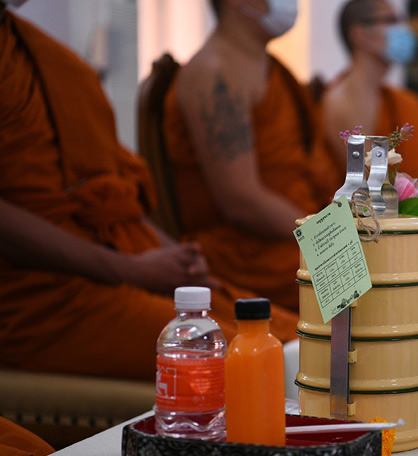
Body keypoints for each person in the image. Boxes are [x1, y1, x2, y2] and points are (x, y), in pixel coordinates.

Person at [0, 3, 297, 383]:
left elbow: (117, 198)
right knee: (257, 362)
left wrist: (168, 258)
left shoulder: (46, 54)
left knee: (295, 339)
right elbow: (243, 201)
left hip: (133, 256)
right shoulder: (213, 74)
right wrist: (131, 269)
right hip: (45, 291)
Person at [164, 0, 338, 313]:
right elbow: (241, 201)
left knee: (398, 264)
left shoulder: (266, 66)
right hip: (248, 252)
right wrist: (328, 241)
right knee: (375, 285)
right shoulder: (215, 72)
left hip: (293, 232)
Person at [321, 0, 418, 192]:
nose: (403, 29)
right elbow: (375, 188)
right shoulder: (342, 101)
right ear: (359, 34)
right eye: (391, 21)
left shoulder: (397, 99)